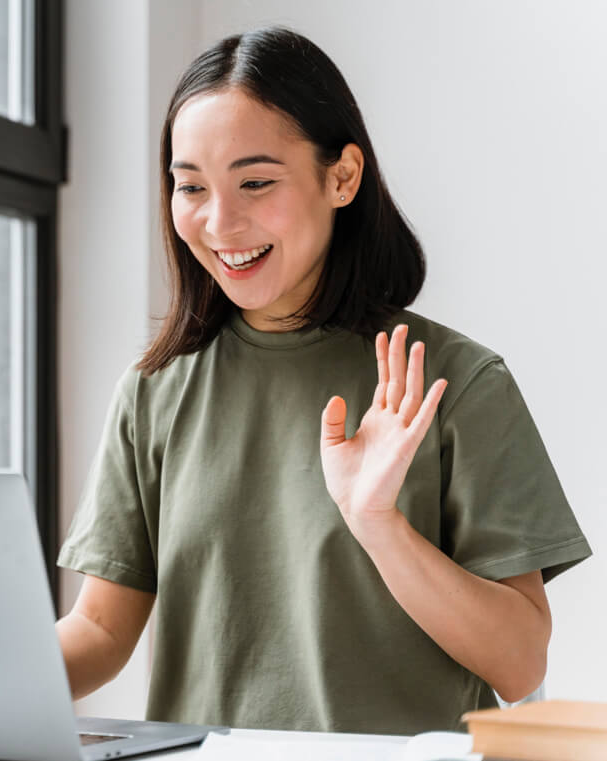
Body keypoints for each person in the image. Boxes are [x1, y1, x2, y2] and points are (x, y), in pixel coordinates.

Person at [54, 26, 592, 735]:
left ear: (341, 176)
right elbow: (99, 628)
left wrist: (380, 525)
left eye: (255, 182)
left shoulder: (458, 383)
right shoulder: (154, 389)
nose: (220, 222)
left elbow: (520, 663)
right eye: (190, 186)